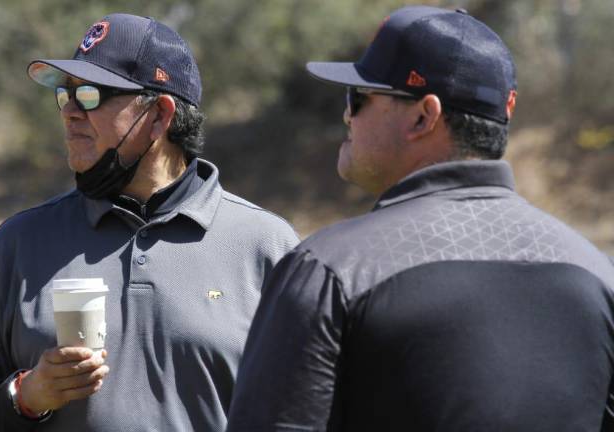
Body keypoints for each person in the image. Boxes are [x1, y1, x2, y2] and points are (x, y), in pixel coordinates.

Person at [227, 5, 614, 431]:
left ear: (423, 116)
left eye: (358, 97)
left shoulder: (330, 270)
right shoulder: (595, 270)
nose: (346, 116)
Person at [0, 13, 299, 432]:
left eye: (89, 95)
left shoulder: (267, 246)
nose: (69, 112)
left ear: (159, 115)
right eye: (65, 96)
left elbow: (306, 412)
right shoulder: (17, 244)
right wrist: (26, 398)